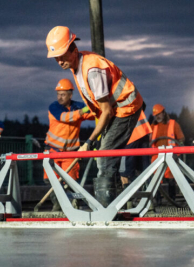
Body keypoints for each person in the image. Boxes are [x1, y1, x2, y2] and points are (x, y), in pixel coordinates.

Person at [46, 26, 151, 206]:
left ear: (73, 49)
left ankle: (108, 208)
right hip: (115, 110)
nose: (59, 61)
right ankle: (117, 203)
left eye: (62, 55)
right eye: (56, 57)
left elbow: (107, 110)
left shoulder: (92, 70)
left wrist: (89, 141)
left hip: (126, 108)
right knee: (106, 156)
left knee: (104, 157)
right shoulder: (77, 65)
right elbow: (102, 108)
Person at [44, 78, 94, 210]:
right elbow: (64, 117)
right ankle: (57, 206)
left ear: (70, 95)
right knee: (51, 180)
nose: (60, 97)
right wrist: (83, 110)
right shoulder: (54, 107)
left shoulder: (77, 107)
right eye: (58, 94)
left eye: (63, 94)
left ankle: (75, 205)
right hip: (52, 152)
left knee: (72, 182)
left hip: (70, 153)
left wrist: (93, 106)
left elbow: (94, 114)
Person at [150, 104, 184, 199]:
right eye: (156, 115)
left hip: (170, 155)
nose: (157, 116)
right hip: (156, 156)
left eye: (159, 114)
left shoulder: (173, 124)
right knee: (156, 180)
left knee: (171, 179)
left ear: (164, 113)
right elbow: (148, 140)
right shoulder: (153, 126)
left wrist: (179, 149)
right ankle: (157, 200)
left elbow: (181, 138)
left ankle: (172, 199)